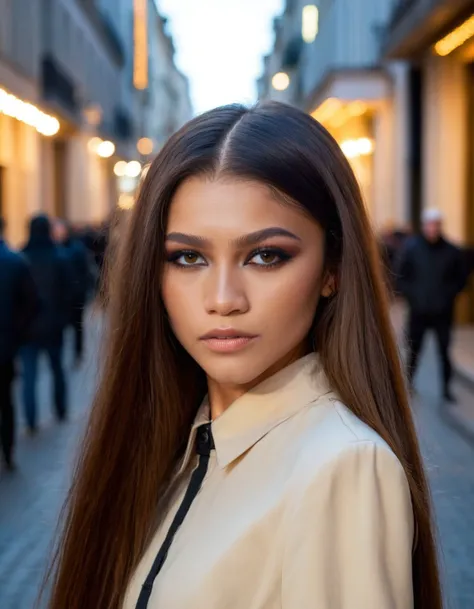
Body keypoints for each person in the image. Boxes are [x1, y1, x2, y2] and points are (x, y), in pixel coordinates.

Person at [45, 103, 442, 609]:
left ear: (331, 269)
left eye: (265, 255)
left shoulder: (341, 467)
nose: (224, 298)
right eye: (188, 257)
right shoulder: (181, 445)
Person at [397, 208, 467, 401]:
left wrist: (448, 295)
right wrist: (412, 296)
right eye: (430, 225)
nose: (433, 229)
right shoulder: (412, 249)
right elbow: (402, 276)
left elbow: (461, 279)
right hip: (419, 311)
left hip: (442, 312)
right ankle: (408, 384)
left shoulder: (452, 251)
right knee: (414, 349)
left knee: (444, 350)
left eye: (436, 225)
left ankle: (446, 389)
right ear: (425, 226)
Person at [21, 214, 72, 432]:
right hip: (53, 325)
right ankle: (60, 409)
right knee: (57, 369)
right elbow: (68, 292)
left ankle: (31, 420)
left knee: (29, 376)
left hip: (28, 328)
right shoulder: (59, 257)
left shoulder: (22, 257)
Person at [0, 218, 39, 470]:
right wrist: (18, 334)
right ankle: (8, 451)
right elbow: (31, 303)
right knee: (6, 401)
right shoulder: (15, 262)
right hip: (6, 346)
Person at [52, 219, 92, 366]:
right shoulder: (55, 249)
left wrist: (81, 290)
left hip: (76, 296)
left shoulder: (76, 249)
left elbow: (84, 271)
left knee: (77, 326)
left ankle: (78, 352)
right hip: (62, 297)